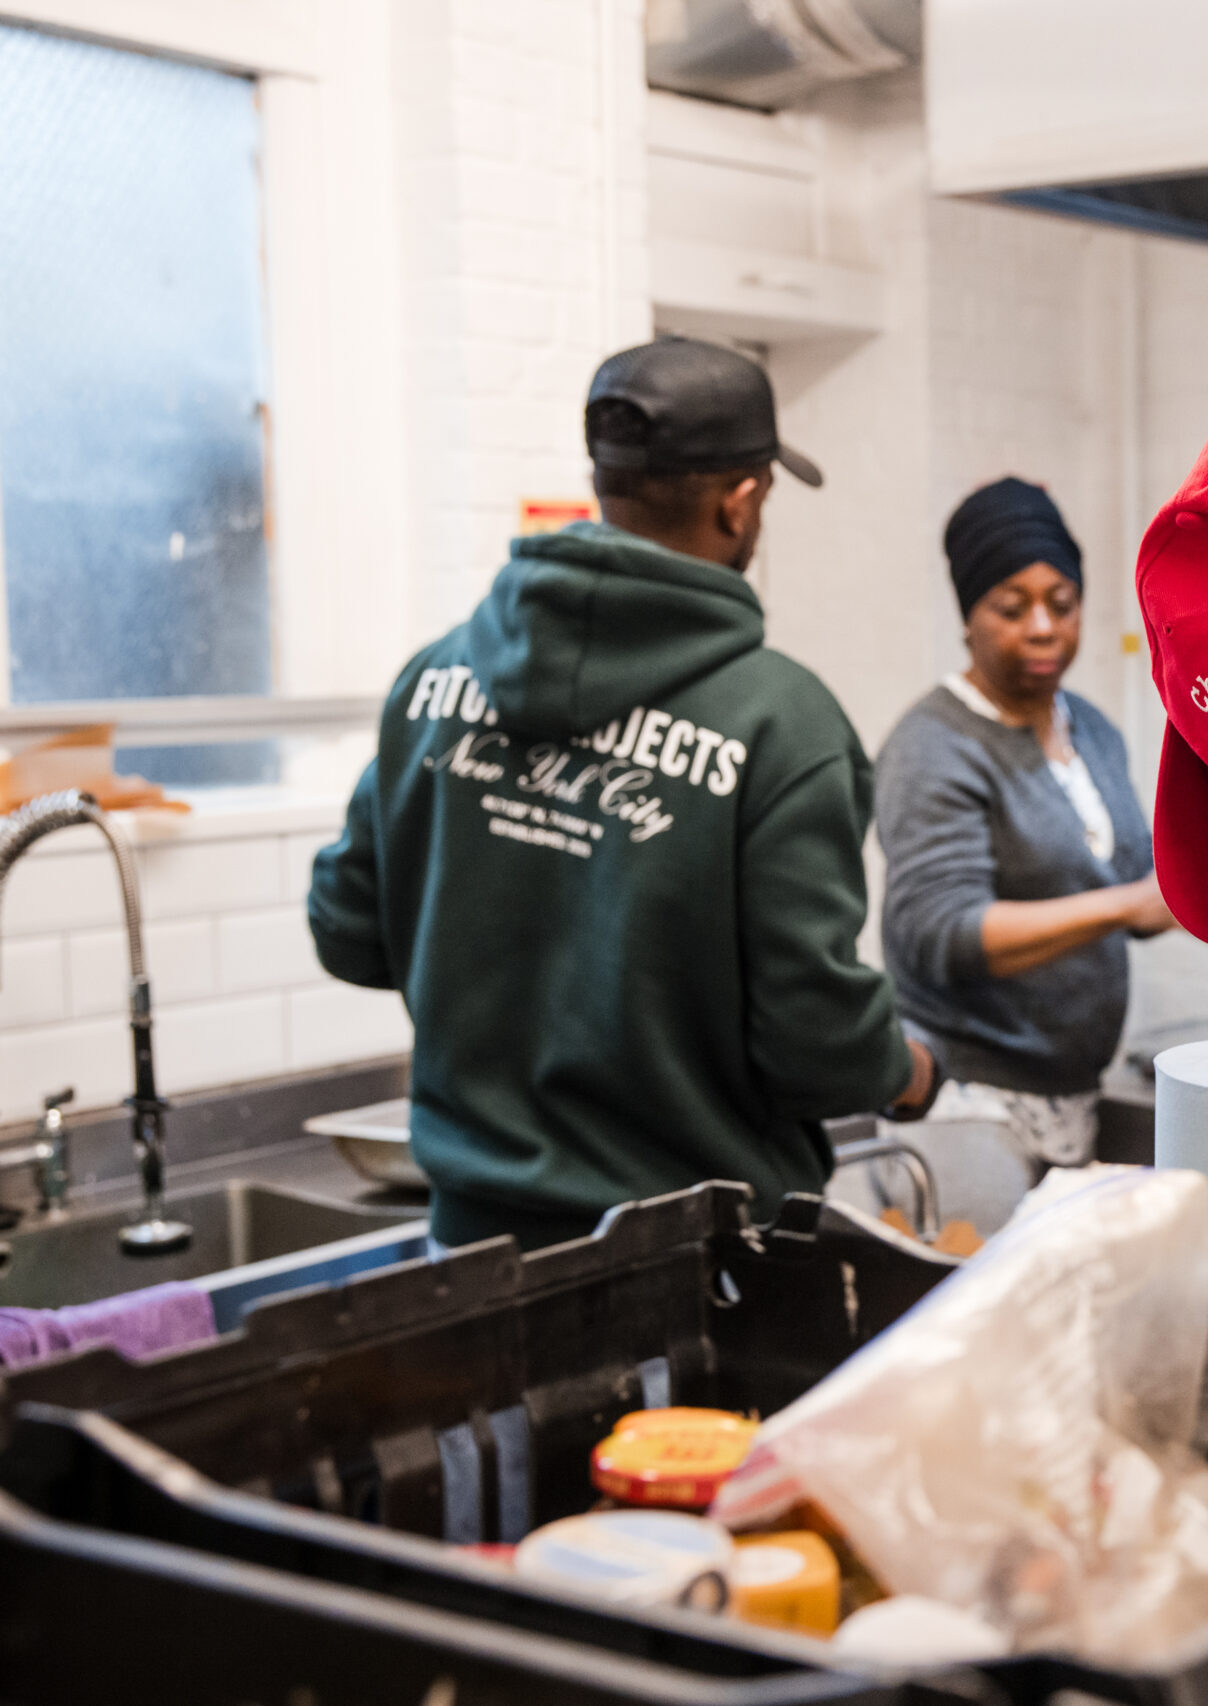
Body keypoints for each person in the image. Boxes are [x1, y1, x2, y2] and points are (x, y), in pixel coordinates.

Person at [307, 336, 935, 1252]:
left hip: (473, 1258)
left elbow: (349, 934)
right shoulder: (780, 725)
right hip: (693, 1271)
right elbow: (815, 1042)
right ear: (742, 497)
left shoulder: (434, 682)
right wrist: (908, 1071)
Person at [875, 478, 1172, 1175]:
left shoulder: (1091, 729)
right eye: (1012, 608)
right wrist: (1131, 903)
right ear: (969, 616)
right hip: (965, 1101)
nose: (1043, 626)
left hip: (1072, 1094)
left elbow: (1134, 886)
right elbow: (940, 933)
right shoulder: (934, 746)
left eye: (1061, 604)